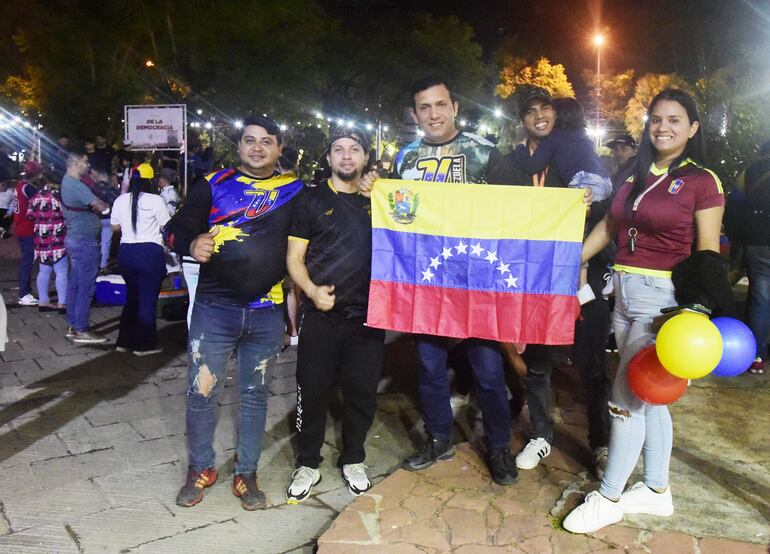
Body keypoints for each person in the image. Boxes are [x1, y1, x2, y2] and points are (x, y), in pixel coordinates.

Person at [563, 89, 724, 533]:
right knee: (651, 398)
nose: (663, 127)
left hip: (663, 300)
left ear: (692, 128)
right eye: (656, 119)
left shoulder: (701, 180)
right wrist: (573, 258)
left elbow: (708, 250)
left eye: (675, 120)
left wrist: (697, 308)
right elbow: (611, 225)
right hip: (623, 291)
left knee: (625, 398)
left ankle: (610, 495)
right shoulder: (632, 174)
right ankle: (656, 490)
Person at [362, 76, 518, 486]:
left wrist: (572, 202)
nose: (434, 114)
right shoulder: (406, 157)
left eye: (440, 104)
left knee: (488, 371)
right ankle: (439, 438)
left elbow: (520, 212)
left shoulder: (486, 154)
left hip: (477, 279)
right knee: (429, 368)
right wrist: (373, 190)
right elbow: (397, 212)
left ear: (454, 108)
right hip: (425, 282)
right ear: (415, 115)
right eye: (424, 108)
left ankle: (499, 446)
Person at [164, 115, 304, 510]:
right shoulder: (213, 185)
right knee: (201, 392)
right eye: (249, 141)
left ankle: (247, 473)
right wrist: (190, 242)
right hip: (214, 309)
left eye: (267, 141)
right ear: (239, 147)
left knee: (255, 395)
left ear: (279, 148)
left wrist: (368, 184)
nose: (257, 147)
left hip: (265, 313)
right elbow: (174, 228)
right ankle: (201, 468)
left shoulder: (295, 190)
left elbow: (332, 214)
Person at [487, 85, 609, 477]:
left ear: (556, 113)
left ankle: (602, 443)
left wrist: (591, 194)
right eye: (530, 112)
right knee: (538, 362)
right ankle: (541, 433)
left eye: (546, 108)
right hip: (536, 277)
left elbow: (606, 195)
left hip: (580, 275)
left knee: (591, 363)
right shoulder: (515, 160)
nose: (540, 116)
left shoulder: (573, 148)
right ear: (520, 120)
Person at [285, 127, 384, 503]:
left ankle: (354, 458)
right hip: (321, 317)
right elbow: (294, 258)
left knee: (361, 393)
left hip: (369, 318)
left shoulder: (379, 201)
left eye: (354, 149)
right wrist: (311, 291)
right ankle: (308, 461)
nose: (346, 156)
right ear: (327, 158)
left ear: (365, 158)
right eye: (338, 150)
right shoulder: (309, 201)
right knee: (312, 391)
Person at [110, 164, 169, 355]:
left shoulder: (120, 200)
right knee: (147, 300)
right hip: (149, 253)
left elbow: (114, 227)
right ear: (150, 180)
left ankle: (124, 342)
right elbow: (166, 226)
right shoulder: (156, 200)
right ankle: (144, 345)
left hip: (127, 253)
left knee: (132, 298)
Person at [724, 140, 770, 374]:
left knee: (760, 297)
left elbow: (734, 205)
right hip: (758, 240)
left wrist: (735, 238)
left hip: (757, 241)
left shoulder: (752, 172)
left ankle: (758, 355)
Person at [514, 97, 613, 202]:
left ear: (557, 115)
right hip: (605, 182)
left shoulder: (555, 136)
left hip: (584, 183)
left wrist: (520, 148)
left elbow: (532, 166)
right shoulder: (583, 136)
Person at [60, 151, 110, 344]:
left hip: (76, 238)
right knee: (86, 286)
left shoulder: (68, 183)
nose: (87, 165)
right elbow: (103, 207)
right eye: (84, 161)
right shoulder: (77, 186)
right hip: (84, 241)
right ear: (75, 163)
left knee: (75, 283)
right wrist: (103, 188)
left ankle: (73, 325)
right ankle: (81, 329)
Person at [26, 174, 68, 312]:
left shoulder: (35, 197)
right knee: (61, 271)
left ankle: (43, 301)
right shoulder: (59, 198)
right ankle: (62, 303)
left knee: (43, 271)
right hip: (58, 239)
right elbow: (67, 215)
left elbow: (30, 216)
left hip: (41, 240)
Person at [13, 161, 41, 305]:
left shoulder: (19, 185)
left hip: (21, 227)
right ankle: (24, 293)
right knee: (27, 261)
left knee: (27, 260)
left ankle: (26, 290)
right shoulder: (28, 188)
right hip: (27, 228)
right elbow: (40, 203)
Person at [88, 167, 120, 274]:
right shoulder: (109, 189)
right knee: (106, 243)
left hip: (95, 219)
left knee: (95, 242)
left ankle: (93, 264)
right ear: (105, 176)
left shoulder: (92, 189)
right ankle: (103, 265)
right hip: (107, 219)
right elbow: (116, 200)